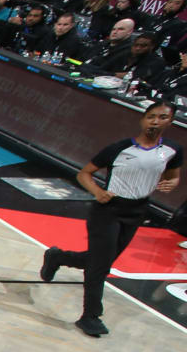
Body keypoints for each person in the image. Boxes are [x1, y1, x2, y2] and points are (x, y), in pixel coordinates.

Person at [40, 100, 181, 338]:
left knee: (101, 260)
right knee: (100, 267)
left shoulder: (172, 150)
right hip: (108, 210)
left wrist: (172, 182)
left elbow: (173, 175)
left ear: (170, 121)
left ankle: (57, 256)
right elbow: (84, 173)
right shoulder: (119, 148)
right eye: (152, 116)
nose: (156, 121)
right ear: (143, 119)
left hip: (138, 211)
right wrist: (97, 192)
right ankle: (90, 316)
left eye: (163, 117)